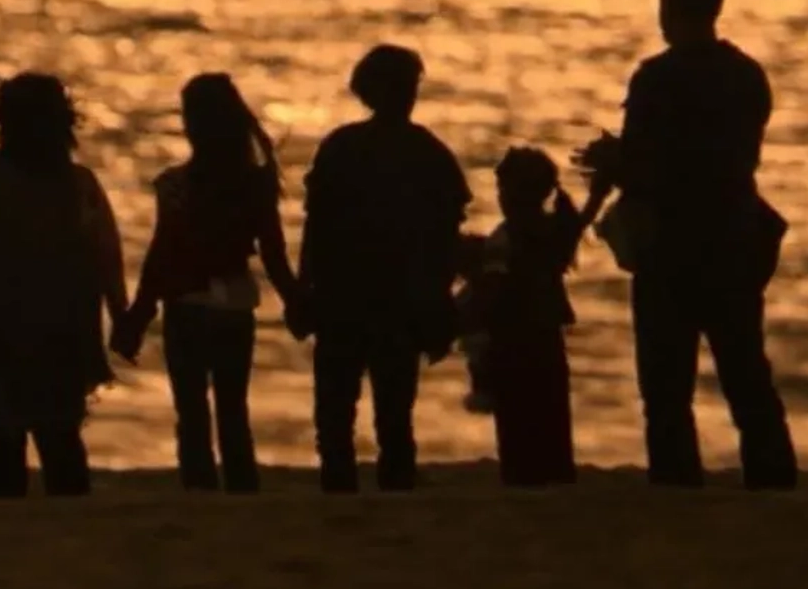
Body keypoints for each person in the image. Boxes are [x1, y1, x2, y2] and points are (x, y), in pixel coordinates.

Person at [580, 0, 797, 490]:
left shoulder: (656, 78)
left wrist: (610, 162)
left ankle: (676, 487)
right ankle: (772, 482)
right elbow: (727, 160)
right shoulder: (747, 76)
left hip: (670, 247)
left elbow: (651, 167)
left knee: (665, 388)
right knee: (746, 374)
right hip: (733, 238)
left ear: (668, 6)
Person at [0, 74, 128, 499]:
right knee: (57, 438)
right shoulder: (78, 185)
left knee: (6, 440)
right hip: (59, 329)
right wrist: (123, 316)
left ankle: (7, 528)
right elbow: (107, 257)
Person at [111, 74, 300, 494]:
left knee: (192, 411)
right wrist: (297, 301)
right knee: (233, 409)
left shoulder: (176, 186)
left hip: (187, 306)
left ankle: (200, 490)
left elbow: (161, 255)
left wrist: (137, 316)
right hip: (234, 307)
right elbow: (273, 254)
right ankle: (241, 488)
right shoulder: (255, 183)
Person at [299, 45, 470, 493]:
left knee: (342, 417)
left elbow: (316, 229)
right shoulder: (428, 153)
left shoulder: (342, 147)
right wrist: (439, 302)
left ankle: (344, 491)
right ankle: (385, 489)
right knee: (387, 415)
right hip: (389, 302)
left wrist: (304, 290)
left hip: (355, 299)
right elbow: (445, 241)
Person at [461, 148, 611, 487]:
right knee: (551, 418)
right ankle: (555, 476)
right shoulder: (553, 228)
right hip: (546, 336)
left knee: (516, 425)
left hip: (511, 341)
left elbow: (493, 292)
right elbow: (581, 221)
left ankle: (523, 478)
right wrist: (600, 191)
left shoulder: (506, 238)